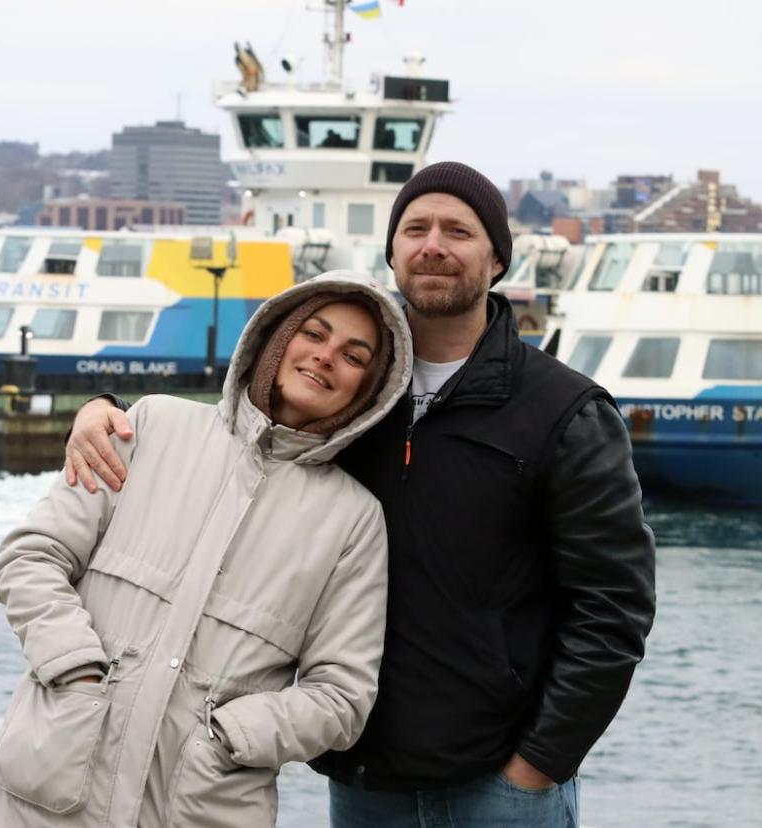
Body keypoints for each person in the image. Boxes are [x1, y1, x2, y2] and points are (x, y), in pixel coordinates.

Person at [63, 162, 657, 827]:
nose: (434, 244)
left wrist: (539, 763)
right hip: (365, 779)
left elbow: (614, 607)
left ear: (497, 259)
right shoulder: (351, 392)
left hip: (501, 788)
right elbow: (239, 434)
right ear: (393, 253)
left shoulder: (563, 411)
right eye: (416, 228)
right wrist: (105, 411)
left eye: (458, 231)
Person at [0, 272, 414, 827]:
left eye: (354, 356)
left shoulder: (353, 521)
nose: (326, 357)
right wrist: (77, 670)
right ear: (276, 339)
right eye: (314, 334)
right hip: (49, 790)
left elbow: (342, 697)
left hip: (201, 808)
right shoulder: (151, 425)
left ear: (368, 390)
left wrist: (230, 734)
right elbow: (31, 557)